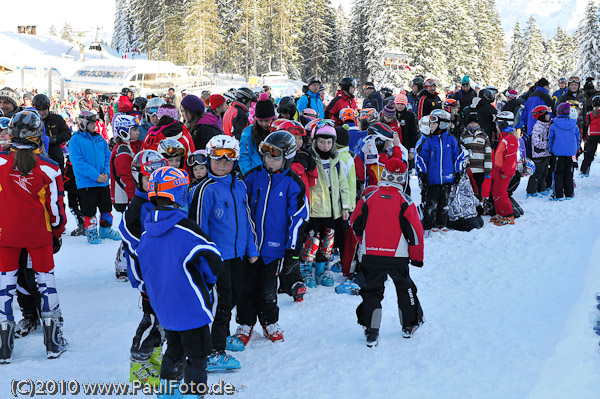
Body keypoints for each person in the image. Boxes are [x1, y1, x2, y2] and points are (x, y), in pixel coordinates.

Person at [137, 166, 223, 397]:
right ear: (179, 194)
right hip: (190, 306)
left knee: (173, 348)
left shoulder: (146, 233)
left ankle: (167, 392)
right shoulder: (186, 229)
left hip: (164, 306)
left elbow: (140, 268)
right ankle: (194, 393)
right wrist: (210, 283)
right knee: (197, 355)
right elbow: (213, 259)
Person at [0, 110, 67, 363]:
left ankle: (3, 347)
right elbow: (56, 208)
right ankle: (53, 341)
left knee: (4, 287)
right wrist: (57, 232)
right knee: (46, 283)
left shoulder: (1, 163)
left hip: (6, 234)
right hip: (39, 234)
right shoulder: (49, 167)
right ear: (38, 134)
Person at [188, 135, 259, 372]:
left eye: (228, 160)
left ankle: (222, 335)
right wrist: (205, 262)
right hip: (216, 260)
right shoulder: (204, 190)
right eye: (217, 159)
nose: (222, 164)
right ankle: (213, 351)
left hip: (237, 255)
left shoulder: (239, 184)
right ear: (208, 160)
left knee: (233, 298)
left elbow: (246, 219)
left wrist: (251, 248)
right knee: (220, 303)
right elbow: (198, 229)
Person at [232, 131, 308, 347]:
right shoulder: (253, 177)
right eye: (266, 157)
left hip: (274, 250)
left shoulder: (293, 183)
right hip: (250, 248)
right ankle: (245, 323)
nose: (269, 161)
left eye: (275, 158)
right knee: (246, 288)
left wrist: (292, 249)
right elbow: (241, 210)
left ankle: (269, 321)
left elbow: (298, 218)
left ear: (287, 158)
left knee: (268, 289)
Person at [350, 157, 424, 347]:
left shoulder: (369, 197)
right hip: (397, 256)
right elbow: (415, 232)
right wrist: (416, 258)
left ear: (384, 175)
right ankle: (409, 325)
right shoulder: (405, 201)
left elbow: (355, 223)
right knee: (405, 287)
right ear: (403, 179)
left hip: (371, 255)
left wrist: (363, 242)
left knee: (371, 291)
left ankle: (371, 331)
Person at [118, 150, 169, 385]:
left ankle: (153, 357)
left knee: (163, 319)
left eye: (158, 179)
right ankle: (139, 363)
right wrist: (147, 266)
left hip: (163, 273)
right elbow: (129, 239)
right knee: (151, 318)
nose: (153, 184)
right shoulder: (138, 206)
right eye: (149, 179)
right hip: (148, 275)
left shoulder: (162, 201)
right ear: (138, 178)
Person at [300, 122, 351, 288]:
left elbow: (343, 185)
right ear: (315, 141)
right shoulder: (310, 158)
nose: (325, 145)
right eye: (322, 142)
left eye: (329, 142)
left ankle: (322, 270)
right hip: (315, 209)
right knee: (312, 241)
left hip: (332, 208)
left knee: (328, 242)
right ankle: (306, 269)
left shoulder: (336, 161)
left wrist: (345, 207)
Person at [69, 110, 121, 244]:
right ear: (83, 123)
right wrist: (96, 176)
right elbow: (79, 162)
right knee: (89, 210)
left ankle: (105, 229)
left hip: (102, 182)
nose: (94, 125)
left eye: (95, 122)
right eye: (91, 123)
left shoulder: (100, 139)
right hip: (87, 183)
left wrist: (105, 173)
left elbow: (107, 156)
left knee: (106, 207)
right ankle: (91, 232)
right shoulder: (75, 140)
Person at [416, 109, 463, 234]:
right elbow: (421, 159)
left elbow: (458, 156)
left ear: (441, 124)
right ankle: (429, 226)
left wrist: (458, 171)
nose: (430, 126)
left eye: (433, 124)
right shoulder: (428, 141)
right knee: (431, 205)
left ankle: (442, 224)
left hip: (447, 178)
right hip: (432, 180)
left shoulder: (451, 140)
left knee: (444, 204)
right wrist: (422, 174)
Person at [490, 111, 520, 225]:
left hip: (504, 171)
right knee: (495, 192)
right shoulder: (505, 137)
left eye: (499, 122)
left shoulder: (511, 138)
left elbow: (511, 158)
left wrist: (506, 172)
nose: (497, 125)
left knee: (501, 193)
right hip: (498, 169)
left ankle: (508, 215)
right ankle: (500, 213)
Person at [32, 94, 71, 173]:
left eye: (44, 110)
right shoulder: (31, 121)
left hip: (55, 157)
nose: (42, 113)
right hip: (38, 158)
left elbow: (67, 133)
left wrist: (54, 138)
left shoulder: (56, 119)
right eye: (39, 110)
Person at [549, 103, 580, 200]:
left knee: (558, 173)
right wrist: (575, 148)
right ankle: (569, 194)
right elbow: (578, 138)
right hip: (570, 152)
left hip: (558, 153)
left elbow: (551, 139)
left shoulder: (554, 125)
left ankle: (558, 195)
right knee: (569, 173)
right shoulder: (574, 125)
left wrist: (551, 149)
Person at [239, 97, 276, 175]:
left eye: (266, 121)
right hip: (255, 172)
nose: (263, 124)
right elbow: (244, 155)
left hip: (275, 172)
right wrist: (249, 174)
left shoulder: (277, 130)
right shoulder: (249, 132)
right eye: (260, 121)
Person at [460, 112, 492, 196]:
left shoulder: (484, 136)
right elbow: (461, 152)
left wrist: (488, 170)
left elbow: (488, 154)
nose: (473, 124)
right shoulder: (464, 136)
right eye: (471, 123)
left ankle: (480, 204)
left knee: (479, 189)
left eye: (475, 122)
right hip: (469, 169)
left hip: (480, 169)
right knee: (469, 190)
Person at [526, 105, 552, 197]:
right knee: (537, 173)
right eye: (547, 114)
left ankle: (541, 188)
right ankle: (531, 191)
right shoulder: (538, 127)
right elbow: (537, 143)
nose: (549, 116)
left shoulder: (546, 125)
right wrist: (548, 145)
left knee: (544, 172)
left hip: (545, 154)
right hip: (539, 154)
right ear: (541, 116)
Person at [580, 95, 600, 176]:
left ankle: (584, 171)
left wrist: (584, 136)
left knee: (589, 155)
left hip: (592, 135)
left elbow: (586, 125)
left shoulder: (590, 114)